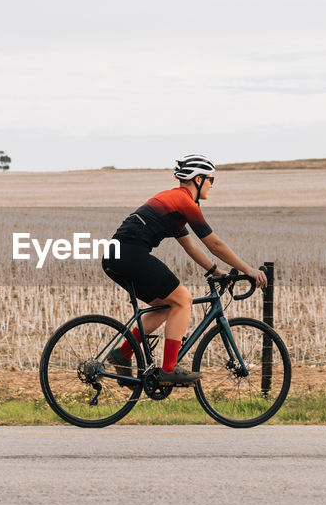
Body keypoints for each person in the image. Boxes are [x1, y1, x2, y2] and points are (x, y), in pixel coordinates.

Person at [100, 154, 268, 384]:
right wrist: (248, 269)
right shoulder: (184, 202)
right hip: (130, 253)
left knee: (165, 307)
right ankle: (169, 369)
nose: (211, 185)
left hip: (116, 256)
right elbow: (214, 244)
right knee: (183, 300)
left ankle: (122, 353)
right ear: (198, 179)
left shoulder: (173, 203)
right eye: (211, 179)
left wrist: (216, 271)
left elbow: (191, 246)